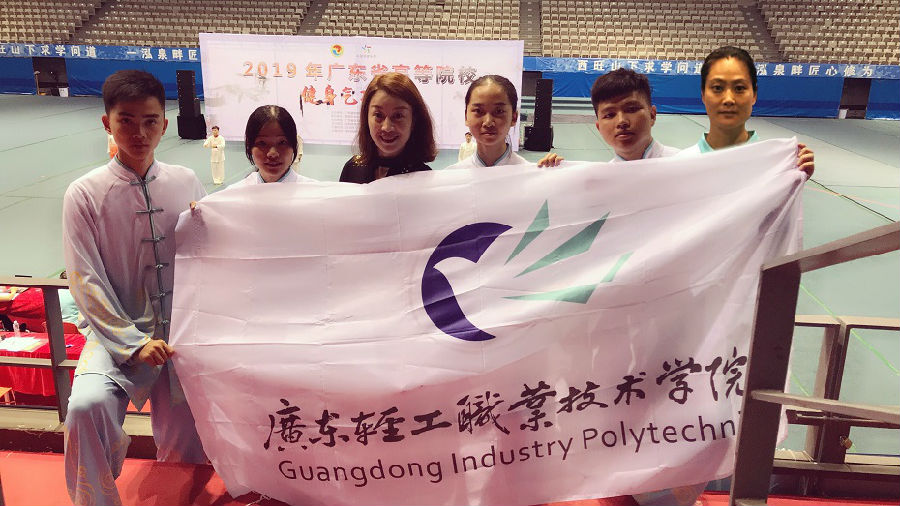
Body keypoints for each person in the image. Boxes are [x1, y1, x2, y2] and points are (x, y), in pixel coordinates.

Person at [61, 69, 208, 506]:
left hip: (180, 336)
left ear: (165, 123)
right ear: (106, 122)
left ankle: (180, 496)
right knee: (85, 407)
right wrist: (132, 343)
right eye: (126, 120)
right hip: (115, 336)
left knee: (188, 438)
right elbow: (84, 278)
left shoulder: (186, 181)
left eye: (149, 121)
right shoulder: (84, 194)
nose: (139, 133)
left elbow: (209, 254)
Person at [677, 46, 815, 177]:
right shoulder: (680, 166)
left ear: (754, 94)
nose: (729, 99)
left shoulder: (778, 166)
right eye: (717, 88)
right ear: (703, 94)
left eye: (739, 88)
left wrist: (795, 179)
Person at [538, 69, 679, 167]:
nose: (622, 121)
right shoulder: (600, 182)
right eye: (609, 115)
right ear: (599, 127)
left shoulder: (683, 164)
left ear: (652, 115)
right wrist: (553, 175)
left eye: (631, 109)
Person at [339, 72, 436, 183]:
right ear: (366, 117)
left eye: (398, 116)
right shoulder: (352, 168)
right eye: (378, 115)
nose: (387, 127)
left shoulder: (424, 178)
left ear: (414, 119)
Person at [447, 74, 529, 169]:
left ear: (514, 118)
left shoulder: (528, 173)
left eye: (499, 111)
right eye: (478, 111)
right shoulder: (454, 174)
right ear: (466, 117)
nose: (488, 122)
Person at [228, 105, 315, 188]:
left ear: (294, 145)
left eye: (282, 142)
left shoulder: (314, 194)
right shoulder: (234, 194)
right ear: (249, 145)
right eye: (262, 143)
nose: (273, 154)